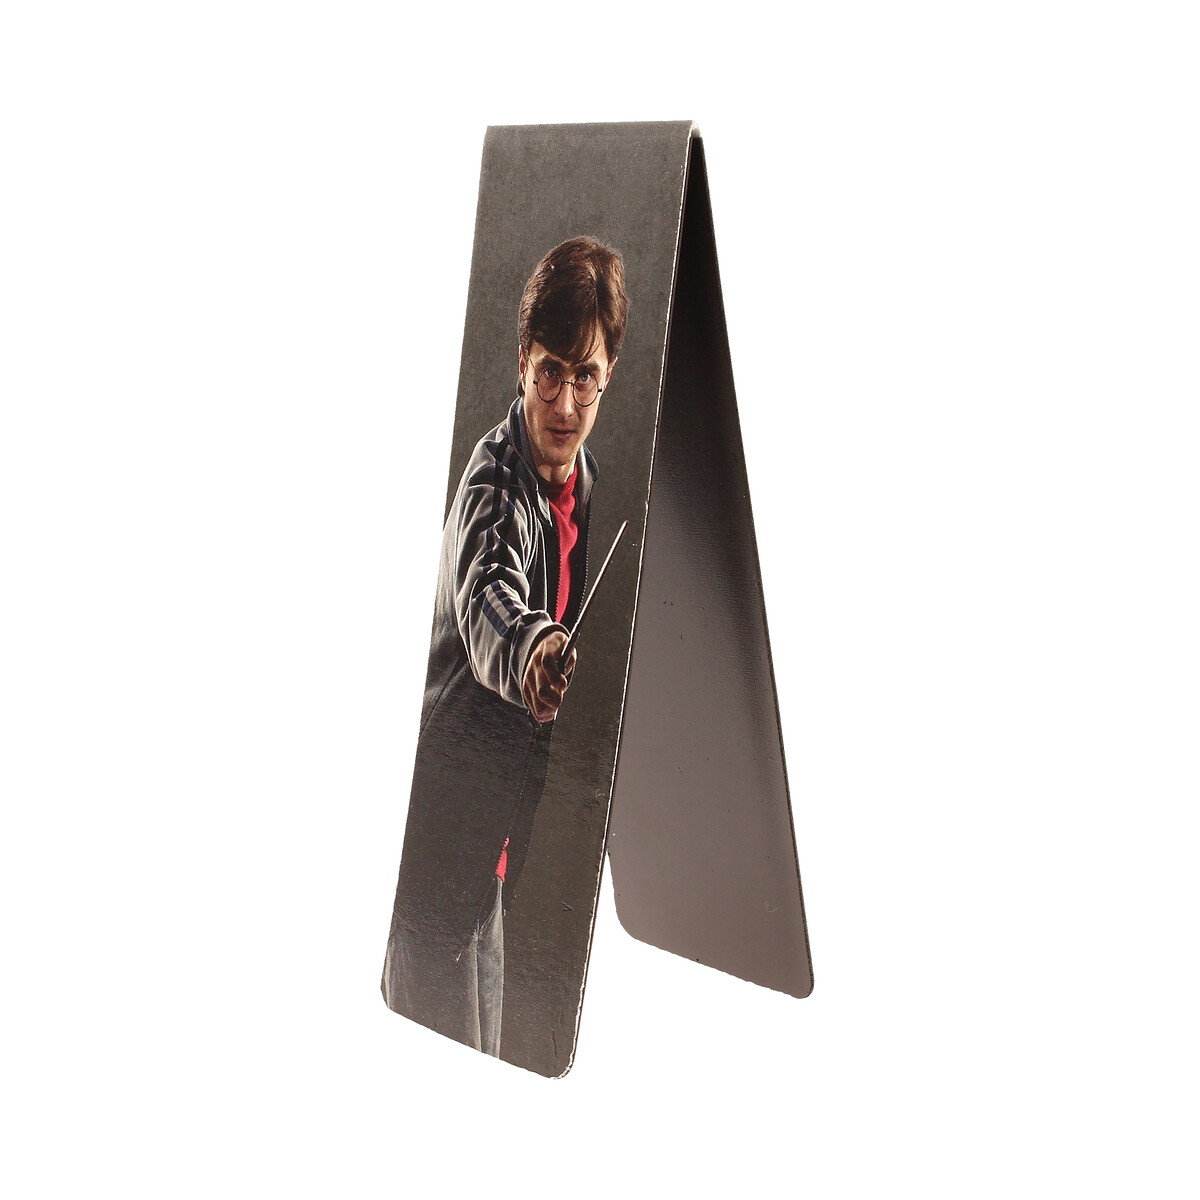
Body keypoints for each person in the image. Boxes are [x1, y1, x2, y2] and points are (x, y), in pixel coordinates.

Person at [382, 236, 629, 1056]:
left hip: (491, 852)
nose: (566, 403)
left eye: (585, 376)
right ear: (523, 363)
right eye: (551, 371)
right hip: (431, 855)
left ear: (608, 376)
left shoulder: (583, 484)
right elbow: (492, 593)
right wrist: (533, 650)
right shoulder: (492, 485)